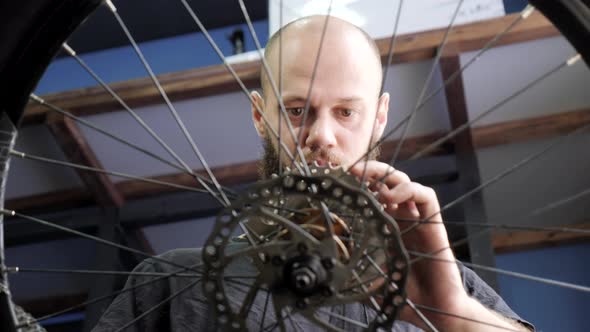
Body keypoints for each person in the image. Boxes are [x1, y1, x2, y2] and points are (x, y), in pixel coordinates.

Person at [92, 15, 533, 331]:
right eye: (298, 110)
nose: (322, 136)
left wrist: (451, 310)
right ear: (259, 115)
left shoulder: (440, 280)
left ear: (379, 117)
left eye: (346, 112)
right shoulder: (171, 282)